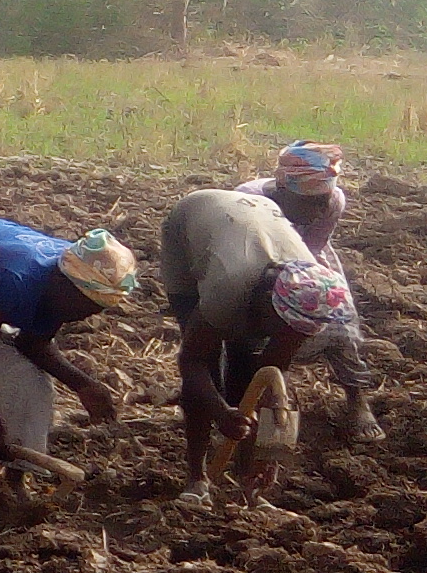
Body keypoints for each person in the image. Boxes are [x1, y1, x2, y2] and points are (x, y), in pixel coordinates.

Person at [155, 186, 351, 505]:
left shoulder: (309, 291)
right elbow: (190, 361)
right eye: (284, 327)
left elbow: (270, 370)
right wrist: (221, 411)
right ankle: (196, 478)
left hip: (255, 222)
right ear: (269, 305)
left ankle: (247, 479)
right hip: (194, 223)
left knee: (246, 364)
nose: (288, 337)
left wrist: (268, 445)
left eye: (298, 333)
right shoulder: (228, 287)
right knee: (208, 370)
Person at [0, 220, 142, 479]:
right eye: (86, 307)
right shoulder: (16, 282)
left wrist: (83, 385)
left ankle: (17, 476)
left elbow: (32, 343)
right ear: (65, 286)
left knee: (36, 386)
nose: (86, 316)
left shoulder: (68, 282)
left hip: (2, 279)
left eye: (95, 311)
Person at [232, 143, 380, 442]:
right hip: (256, 262)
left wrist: (309, 296)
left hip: (306, 258)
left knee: (341, 321)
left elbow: (310, 249)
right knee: (254, 332)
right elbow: (248, 253)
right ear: (284, 189)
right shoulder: (249, 201)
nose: (321, 210)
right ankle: (266, 391)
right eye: (312, 202)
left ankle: (357, 399)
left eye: (324, 200)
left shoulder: (334, 201)